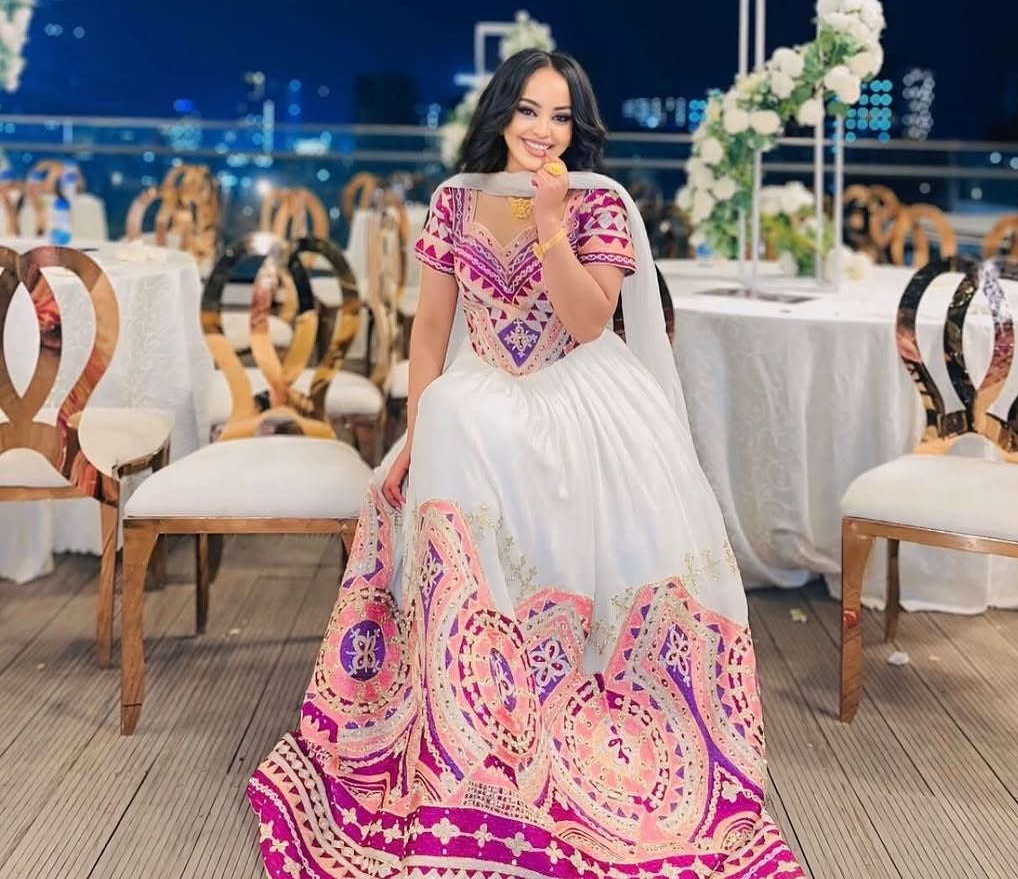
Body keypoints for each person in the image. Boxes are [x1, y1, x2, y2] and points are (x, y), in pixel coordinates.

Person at [248, 49, 803, 879]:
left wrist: (551, 227)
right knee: (455, 413)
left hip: (578, 396)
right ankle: (464, 719)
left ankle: (567, 717)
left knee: (474, 419)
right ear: (500, 115)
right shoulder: (454, 203)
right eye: (529, 112)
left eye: (561, 116)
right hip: (478, 399)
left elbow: (587, 324)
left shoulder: (600, 205)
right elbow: (430, 335)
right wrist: (412, 435)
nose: (544, 131)